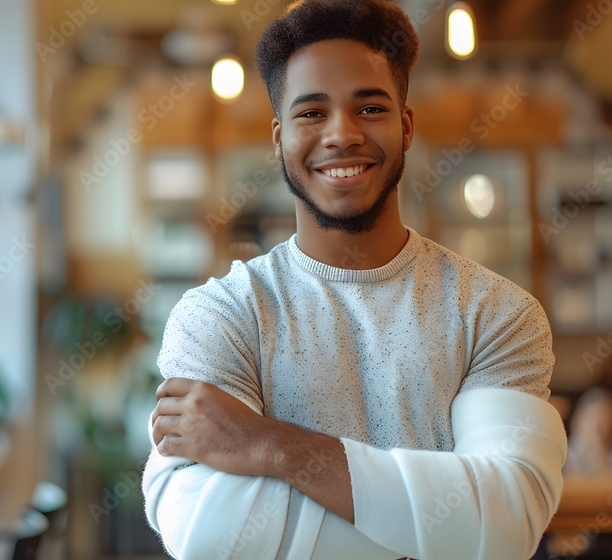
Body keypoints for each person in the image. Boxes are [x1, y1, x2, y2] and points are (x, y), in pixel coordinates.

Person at [141, 1, 567, 558]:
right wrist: (443, 522)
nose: (341, 134)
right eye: (311, 113)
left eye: (369, 107)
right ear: (278, 138)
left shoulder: (497, 313)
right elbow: (207, 532)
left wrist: (269, 445)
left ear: (405, 126)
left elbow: (508, 522)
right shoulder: (222, 315)